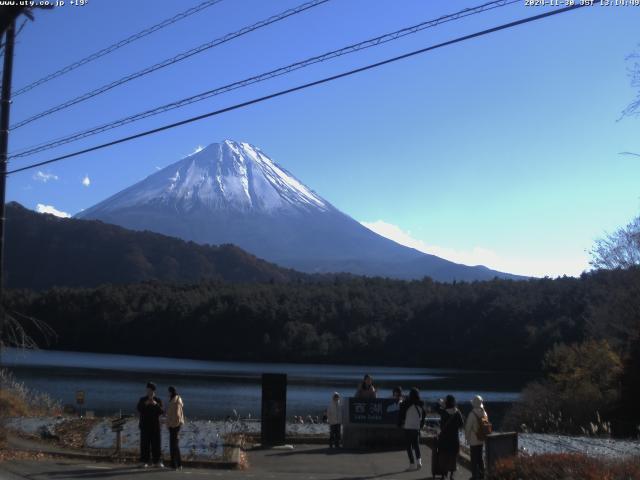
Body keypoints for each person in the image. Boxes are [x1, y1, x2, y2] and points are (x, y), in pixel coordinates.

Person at [435, 395, 465, 479]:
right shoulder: (457, 412)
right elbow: (461, 424)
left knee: (443, 457)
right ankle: (451, 475)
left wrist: (440, 402)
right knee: (453, 458)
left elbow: (436, 408)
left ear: (446, 402)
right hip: (454, 438)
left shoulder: (444, 412)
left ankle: (443, 475)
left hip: (444, 438)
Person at [137, 382, 164, 468]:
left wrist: (155, 404)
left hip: (155, 426)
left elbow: (162, 412)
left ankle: (157, 462)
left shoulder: (158, 400)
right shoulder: (142, 399)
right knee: (144, 444)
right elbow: (139, 408)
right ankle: (144, 461)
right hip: (144, 425)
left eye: (150, 390)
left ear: (153, 391)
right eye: (148, 390)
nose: (149, 392)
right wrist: (146, 403)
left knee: (156, 444)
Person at [397, 387, 426, 471]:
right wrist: (421, 425)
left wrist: (399, 424)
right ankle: (419, 462)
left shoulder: (406, 403)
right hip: (416, 428)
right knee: (416, 445)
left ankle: (412, 464)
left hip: (408, 427)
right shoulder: (421, 405)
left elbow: (401, 413)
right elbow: (423, 416)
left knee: (409, 446)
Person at [465, 395, 489, 480]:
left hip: (474, 440)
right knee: (480, 458)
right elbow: (486, 426)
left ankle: (474, 476)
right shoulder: (484, 412)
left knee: (474, 459)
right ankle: (482, 475)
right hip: (481, 439)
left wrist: (466, 438)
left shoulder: (472, 414)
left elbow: (468, 427)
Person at [166, 386, 185, 471]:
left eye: (169, 392)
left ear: (171, 392)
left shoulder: (175, 401)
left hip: (174, 425)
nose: (168, 393)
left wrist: (172, 424)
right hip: (175, 425)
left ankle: (174, 465)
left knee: (173, 445)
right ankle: (178, 464)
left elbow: (177, 414)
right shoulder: (177, 399)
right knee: (175, 445)